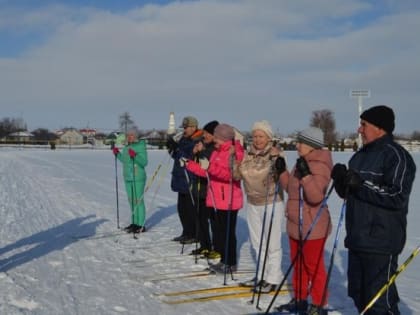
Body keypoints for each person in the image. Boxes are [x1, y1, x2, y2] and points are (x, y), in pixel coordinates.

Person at [331, 105, 416, 315]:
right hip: (357, 238)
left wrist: (360, 184)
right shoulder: (359, 156)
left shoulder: (397, 157)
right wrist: (341, 181)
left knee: (379, 303)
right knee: (360, 297)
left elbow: (397, 196)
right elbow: (351, 193)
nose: (359, 129)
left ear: (380, 127)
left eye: (364, 124)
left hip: (381, 242)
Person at [276, 127, 333, 315]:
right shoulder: (302, 162)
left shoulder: (320, 164)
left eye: (301, 142)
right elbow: (292, 191)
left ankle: (319, 304)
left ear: (312, 146)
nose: (297, 145)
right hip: (295, 224)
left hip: (312, 225)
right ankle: (300, 299)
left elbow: (315, 196)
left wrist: (307, 175)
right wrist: (282, 172)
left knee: (313, 267)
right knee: (298, 264)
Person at [185, 123, 244, 273]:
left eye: (217, 138)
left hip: (228, 198)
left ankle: (230, 263)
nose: (214, 141)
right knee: (220, 232)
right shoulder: (217, 151)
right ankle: (224, 260)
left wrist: (209, 167)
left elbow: (230, 175)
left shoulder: (235, 152)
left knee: (227, 233)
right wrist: (189, 164)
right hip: (217, 198)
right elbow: (208, 172)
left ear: (224, 138)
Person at [235, 120, 285, 293]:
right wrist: (233, 160)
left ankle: (273, 277)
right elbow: (237, 175)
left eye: (261, 136)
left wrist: (278, 166)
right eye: (255, 135)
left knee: (272, 243)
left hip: (271, 202)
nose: (257, 139)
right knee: (257, 243)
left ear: (268, 137)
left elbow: (276, 176)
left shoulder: (275, 154)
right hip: (253, 202)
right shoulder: (248, 154)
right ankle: (262, 274)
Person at [166, 116, 203, 244]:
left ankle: (195, 234)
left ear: (193, 127)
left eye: (186, 127)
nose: (184, 130)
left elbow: (189, 157)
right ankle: (186, 232)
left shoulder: (198, 140)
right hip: (180, 178)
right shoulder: (183, 139)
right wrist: (171, 149)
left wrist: (178, 151)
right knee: (182, 209)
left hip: (190, 178)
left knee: (191, 209)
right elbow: (178, 157)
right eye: (184, 127)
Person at [189, 120, 222, 259]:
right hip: (198, 187)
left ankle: (217, 247)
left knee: (214, 221)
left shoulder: (215, 148)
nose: (205, 135)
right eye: (205, 133)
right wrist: (194, 153)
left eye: (208, 133)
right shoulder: (204, 145)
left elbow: (210, 166)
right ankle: (205, 245)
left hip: (210, 190)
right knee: (200, 219)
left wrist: (202, 152)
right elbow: (195, 164)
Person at [112, 128, 148, 233]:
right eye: (128, 135)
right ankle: (134, 223)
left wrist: (135, 155)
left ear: (136, 136)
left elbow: (144, 162)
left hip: (137, 177)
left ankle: (141, 225)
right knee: (131, 201)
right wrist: (117, 154)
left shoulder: (140, 146)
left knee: (138, 201)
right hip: (128, 177)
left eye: (132, 135)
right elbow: (125, 160)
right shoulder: (127, 147)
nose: (129, 137)